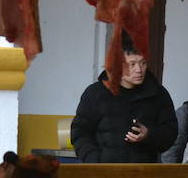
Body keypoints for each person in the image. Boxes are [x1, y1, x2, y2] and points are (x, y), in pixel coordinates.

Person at [69, 33, 177, 165]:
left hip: (144, 175)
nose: (139, 70)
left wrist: (149, 135)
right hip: (104, 174)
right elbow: (80, 132)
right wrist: (95, 162)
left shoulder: (158, 94)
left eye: (143, 63)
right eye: (132, 64)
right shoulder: (96, 93)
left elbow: (170, 133)